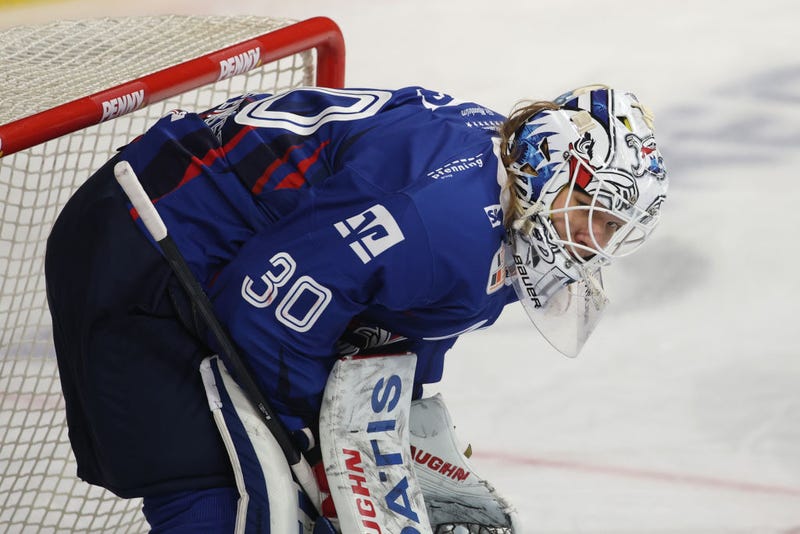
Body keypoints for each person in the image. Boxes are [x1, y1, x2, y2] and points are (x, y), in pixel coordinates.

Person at [45, 84, 668, 532]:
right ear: (551, 166)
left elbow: (408, 315)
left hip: (234, 253)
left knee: (292, 499)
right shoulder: (437, 218)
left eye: (614, 228)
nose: (596, 243)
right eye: (596, 213)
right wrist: (317, 447)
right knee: (227, 497)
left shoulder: (516, 208)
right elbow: (262, 308)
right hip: (146, 235)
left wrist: (403, 427)